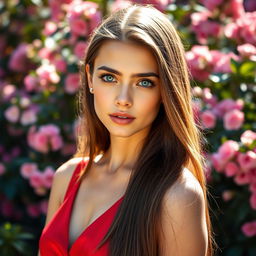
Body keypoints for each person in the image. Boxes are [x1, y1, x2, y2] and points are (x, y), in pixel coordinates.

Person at [38, 3, 216, 256]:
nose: (123, 99)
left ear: (165, 90)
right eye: (109, 78)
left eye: (144, 82)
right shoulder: (66, 178)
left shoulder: (176, 196)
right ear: (90, 78)